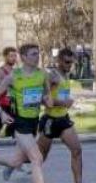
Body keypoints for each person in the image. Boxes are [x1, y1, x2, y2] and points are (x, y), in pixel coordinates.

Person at [0, 44, 50, 183]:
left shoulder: (42, 74)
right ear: (24, 57)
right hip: (20, 123)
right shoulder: (14, 76)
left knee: (16, 162)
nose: (37, 57)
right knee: (37, 158)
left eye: (38, 53)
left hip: (34, 122)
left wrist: (47, 101)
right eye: (33, 54)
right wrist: (2, 113)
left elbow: (46, 95)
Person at [35, 48, 83, 183]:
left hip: (63, 119)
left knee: (77, 150)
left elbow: (61, 96)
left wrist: (66, 102)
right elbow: (43, 100)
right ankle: (13, 162)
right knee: (38, 158)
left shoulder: (65, 75)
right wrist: (63, 102)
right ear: (59, 61)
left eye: (71, 62)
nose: (69, 65)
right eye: (67, 62)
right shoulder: (53, 76)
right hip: (50, 120)